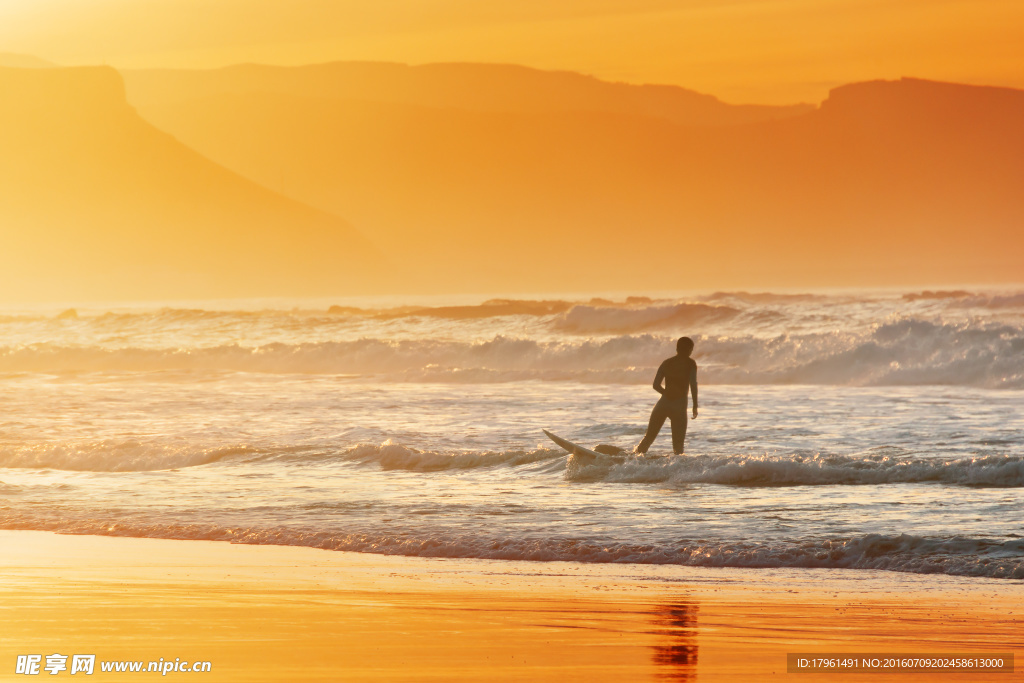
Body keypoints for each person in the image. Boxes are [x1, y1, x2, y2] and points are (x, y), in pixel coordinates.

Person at [635, 337, 698, 455]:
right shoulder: (690, 363)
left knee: (648, 438)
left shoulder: (667, 363)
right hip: (679, 406)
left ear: (677, 348)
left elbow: (655, 385)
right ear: (689, 349)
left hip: (663, 404)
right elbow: (693, 385)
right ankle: (677, 470)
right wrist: (695, 406)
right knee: (678, 446)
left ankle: (631, 461)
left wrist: (667, 393)